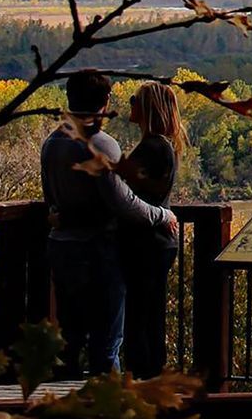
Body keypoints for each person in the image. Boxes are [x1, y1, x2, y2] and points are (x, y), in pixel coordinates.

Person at [41, 71, 178, 375]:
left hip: (61, 247)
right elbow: (121, 202)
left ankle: (65, 405)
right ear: (104, 102)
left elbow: (50, 196)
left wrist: (59, 216)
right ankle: (109, 410)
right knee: (106, 342)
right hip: (97, 249)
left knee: (69, 338)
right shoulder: (102, 145)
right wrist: (162, 215)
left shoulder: (52, 143)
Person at [115, 82, 184, 378]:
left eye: (134, 100)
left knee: (139, 316)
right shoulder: (161, 147)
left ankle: (143, 377)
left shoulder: (152, 147)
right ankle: (151, 376)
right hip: (157, 242)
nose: (129, 104)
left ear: (147, 108)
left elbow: (124, 193)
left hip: (147, 243)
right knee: (150, 312)